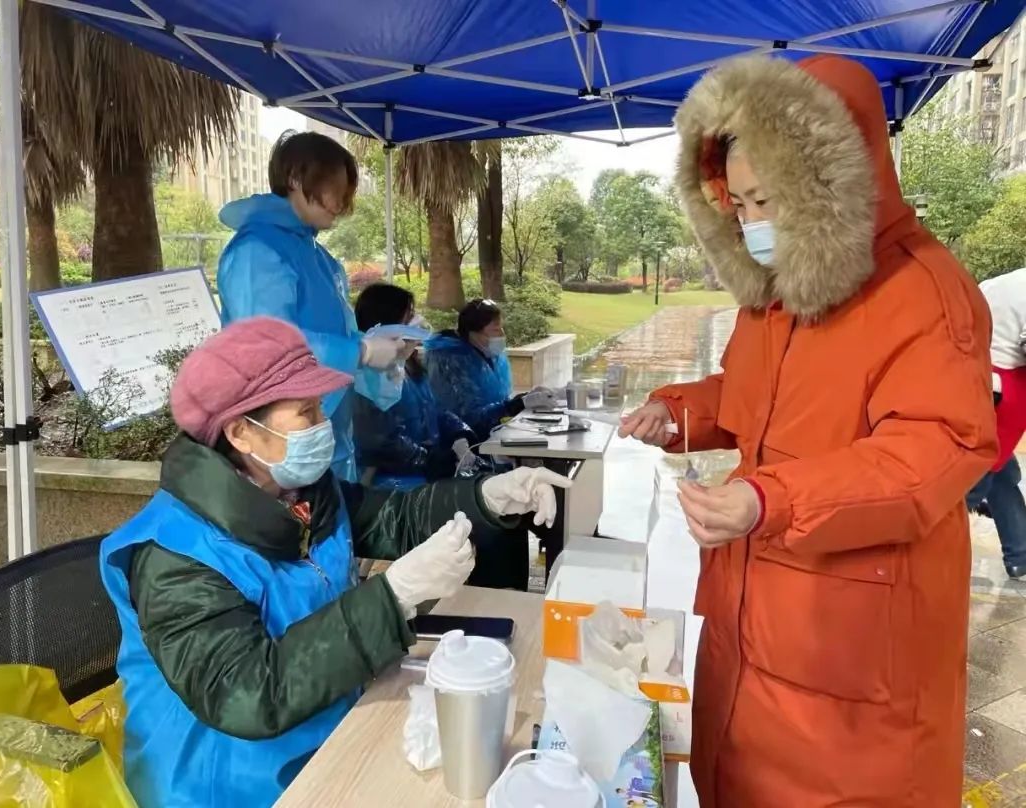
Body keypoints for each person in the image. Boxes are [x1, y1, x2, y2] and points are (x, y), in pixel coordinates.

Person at [620, 55, 995, 806]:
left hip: (851, 664)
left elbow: (932, 448)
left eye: (768, 200)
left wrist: (774, 499)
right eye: (740, 206)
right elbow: (756, 398)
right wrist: (681, 412)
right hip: (749, 626)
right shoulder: (778, 295)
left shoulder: (923, 290)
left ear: (828, 183)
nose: (753, 224)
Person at [99, 317, 570, 808]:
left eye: (321, 407)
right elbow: (246, 693)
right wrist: (393, 597)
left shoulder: (299, 492)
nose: (324, 425)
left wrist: (488, 498)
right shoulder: (175, 557)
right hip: (229, 785)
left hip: (329, 728)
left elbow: (393, 516)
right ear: (241, 433)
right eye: (305, 412)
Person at [216, 131, 406, 483]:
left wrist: (386, 353)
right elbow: (267, 344)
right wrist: (361, 352)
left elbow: (341, 339)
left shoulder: (318, 256)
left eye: (346, 188)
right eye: (333, 185)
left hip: (326, 429)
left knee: (332, 521)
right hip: (283, 437)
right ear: (294, 179)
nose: (342, 200)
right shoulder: (257, 251)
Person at [352, 283, 480, 489]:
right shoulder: (365, 375)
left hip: (423, 476)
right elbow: (378, 441)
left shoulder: (407, 364)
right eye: (409, 316)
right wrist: (430, 460)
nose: (416, 324)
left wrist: (460, 435)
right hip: (394, 486)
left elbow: (434, 408)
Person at [425, 298, 555, 443]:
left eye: (501, 328)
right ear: (473, 332)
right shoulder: (452, 361)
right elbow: (468, 417)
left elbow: (497, 400)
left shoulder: (487, 354)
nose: (501, 334)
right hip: (466, 446)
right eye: (495, 329)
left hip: (494, 435)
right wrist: (517, 404)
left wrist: (526, 398)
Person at [968, 267, 1026, 580]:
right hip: (1008, 388)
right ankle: (933, 549)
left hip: (975, 375)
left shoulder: (999, 281)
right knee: (974, 481)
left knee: (1001, 475)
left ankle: (1020, 553)